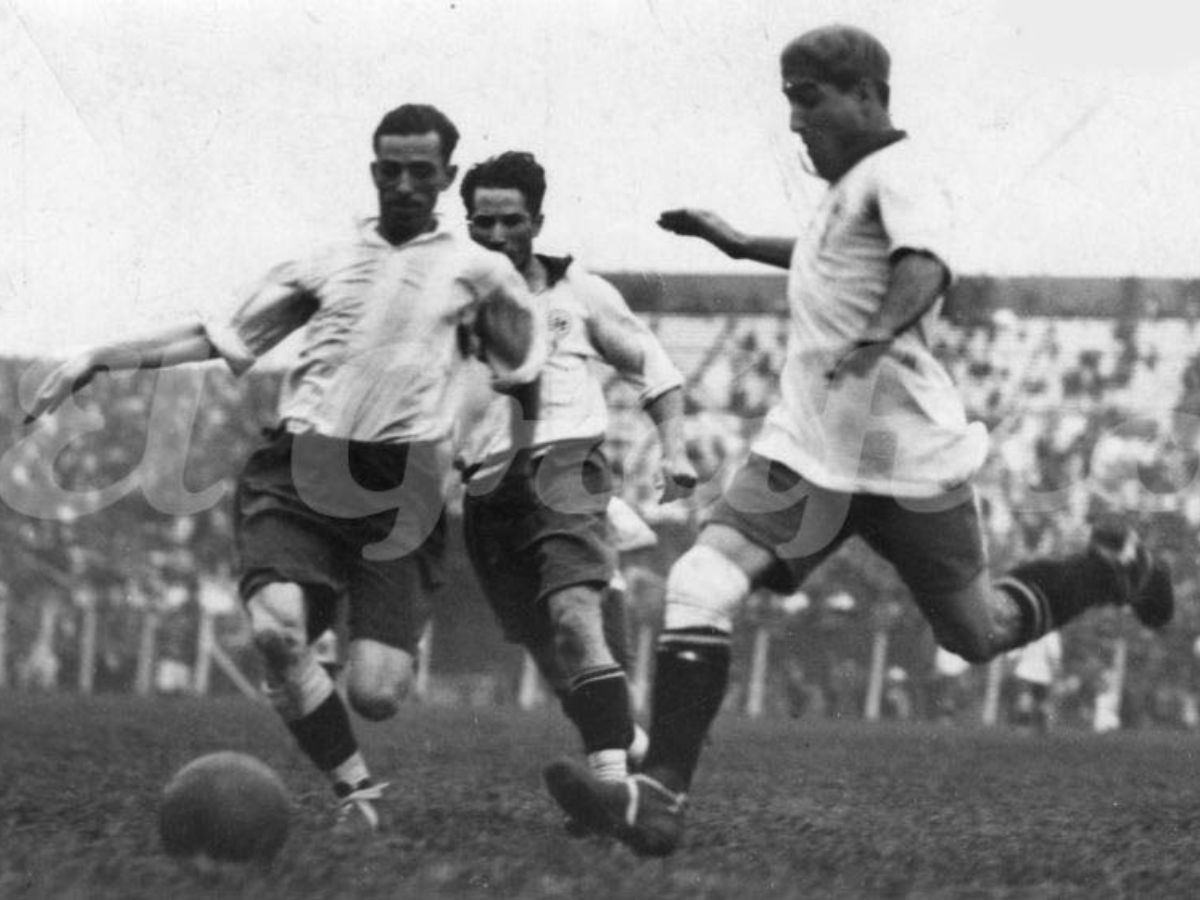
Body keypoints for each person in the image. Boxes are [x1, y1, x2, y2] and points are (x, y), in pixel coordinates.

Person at [541, 24, 1174, 856]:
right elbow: (820, 258)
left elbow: (925, 267)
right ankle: (657, 796)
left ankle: (1106, 570)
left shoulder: (900, 173)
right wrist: (734, 242)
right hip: (808, 455)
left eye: (809, 99)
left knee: (976, 633)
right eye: (790, 103)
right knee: (698, 581)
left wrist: (872, 342)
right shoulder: (848, 194)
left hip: (905, 461)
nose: (796, 121)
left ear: (867, 95)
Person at [24, 104, 546, 832]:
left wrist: (510, 461)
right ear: (373, 171)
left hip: (403, 490)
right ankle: (356, 790)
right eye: (389, 170)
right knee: (274, 632)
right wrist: (100, 357)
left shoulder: (482, 274)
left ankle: (322, 654)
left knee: (379, 693)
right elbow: (222, 336)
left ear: (446, 177)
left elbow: (524, 372)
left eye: (420, 172)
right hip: (300, 466)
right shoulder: (324, 261)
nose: (402, 184)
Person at [454, 151, 695, 797]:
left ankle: (615, 795)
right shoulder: (450, 298)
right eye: (483, 221)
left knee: (573, 621)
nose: (497, 235)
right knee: (554, 660)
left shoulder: (579, 293)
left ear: (538, 219)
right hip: (484, 487)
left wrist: (673, 449)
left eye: (512, 220)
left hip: (565, 466)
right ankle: (633, 749)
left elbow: (657, 370)